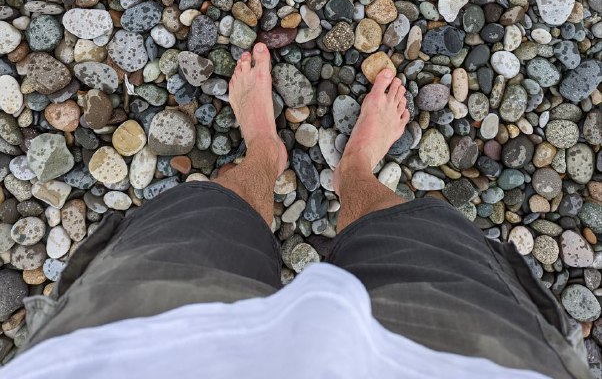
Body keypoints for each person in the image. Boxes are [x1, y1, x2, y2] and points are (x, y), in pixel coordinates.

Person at [2, 43, 591, 379]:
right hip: (467, 361)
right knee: (419, 238)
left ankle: (268, 154)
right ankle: (352, 171)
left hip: (129, 351)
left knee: (207, 217)